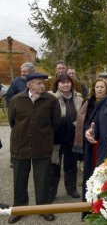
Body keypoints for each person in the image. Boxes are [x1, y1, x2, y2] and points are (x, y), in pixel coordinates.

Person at [8, 72, 61, 223]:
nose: (42, 86)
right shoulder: (16, 100)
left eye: (43, 83)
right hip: (20, 145)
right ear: (29, 85)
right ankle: (18, 210)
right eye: (38, 83)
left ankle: (44, 209)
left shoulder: (51, 100)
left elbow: (55, 122)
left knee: (43, 179)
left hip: (42, 146)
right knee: (19, 179)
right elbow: (13, 122)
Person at [73, 78, 107, 220]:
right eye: (97, 87)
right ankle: (89, 208)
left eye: (102, 87)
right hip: (90, 142)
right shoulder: (87, 103)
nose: (99, 89)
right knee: (91, 174)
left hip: (103, 142)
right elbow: (83, 121)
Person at [48, 73, 83, 202]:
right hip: (56, 137)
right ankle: (51, 192)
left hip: (72, 135)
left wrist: (73, 124)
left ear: (72, 84)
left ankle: (71, 189)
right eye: (62, 82)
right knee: (54, 165)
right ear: (57, 84)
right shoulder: (51, 98)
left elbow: (82, 116)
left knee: (71, 164)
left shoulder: (78, 98)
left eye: (68, 82)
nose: (66, 84)